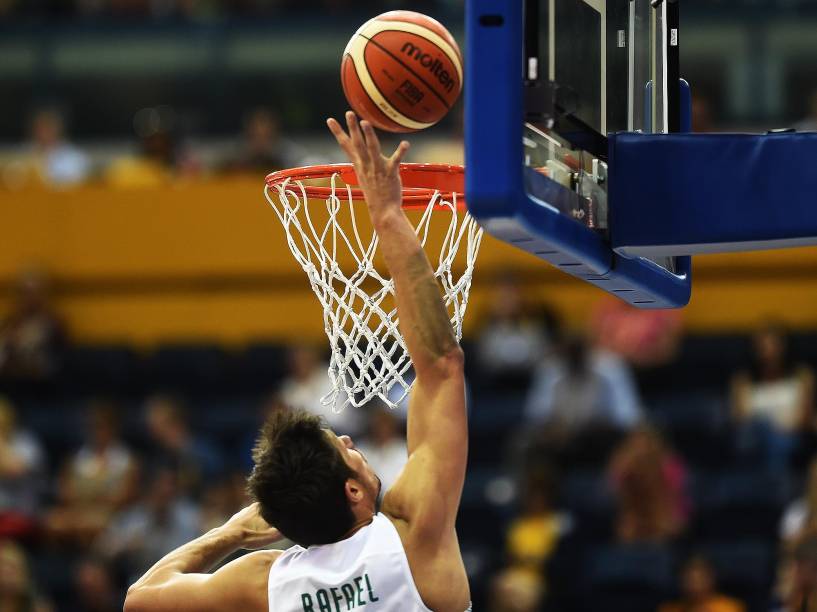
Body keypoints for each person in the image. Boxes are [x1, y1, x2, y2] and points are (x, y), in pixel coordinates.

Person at [124, 111, 471, 611]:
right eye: (344, 449)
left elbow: (140, 599)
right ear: (353, 490)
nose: (350, 440)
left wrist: (230, 534)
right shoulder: (412, 537)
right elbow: (441, 365)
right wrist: (388, 216)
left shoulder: (264, 583)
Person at [730, 323, 815, 470]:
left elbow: (805, 417)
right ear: (755, 349)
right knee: (758, 432)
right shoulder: (743, 380)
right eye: (763, 347)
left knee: (777, 441)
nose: (769, 353)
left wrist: (780, 428)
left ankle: (774, 482)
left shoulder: (802, 375)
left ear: (784, 347)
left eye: (773, 346)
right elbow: (741, 418)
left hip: (791, 437)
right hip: (754, 439)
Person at [608, 427, 689, 544]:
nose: (642, 449)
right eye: (637, 445)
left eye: (646, 444)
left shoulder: (669, 465)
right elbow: (614, 491)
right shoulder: (623, 464)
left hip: (664, 519)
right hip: (633, 521)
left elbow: (676, 500)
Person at [659, 554, 745, 612]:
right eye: (689, 579)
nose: (694, 585)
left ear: (712, 579)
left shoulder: (730, 608)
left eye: (700, 579)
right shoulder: (669, 609)